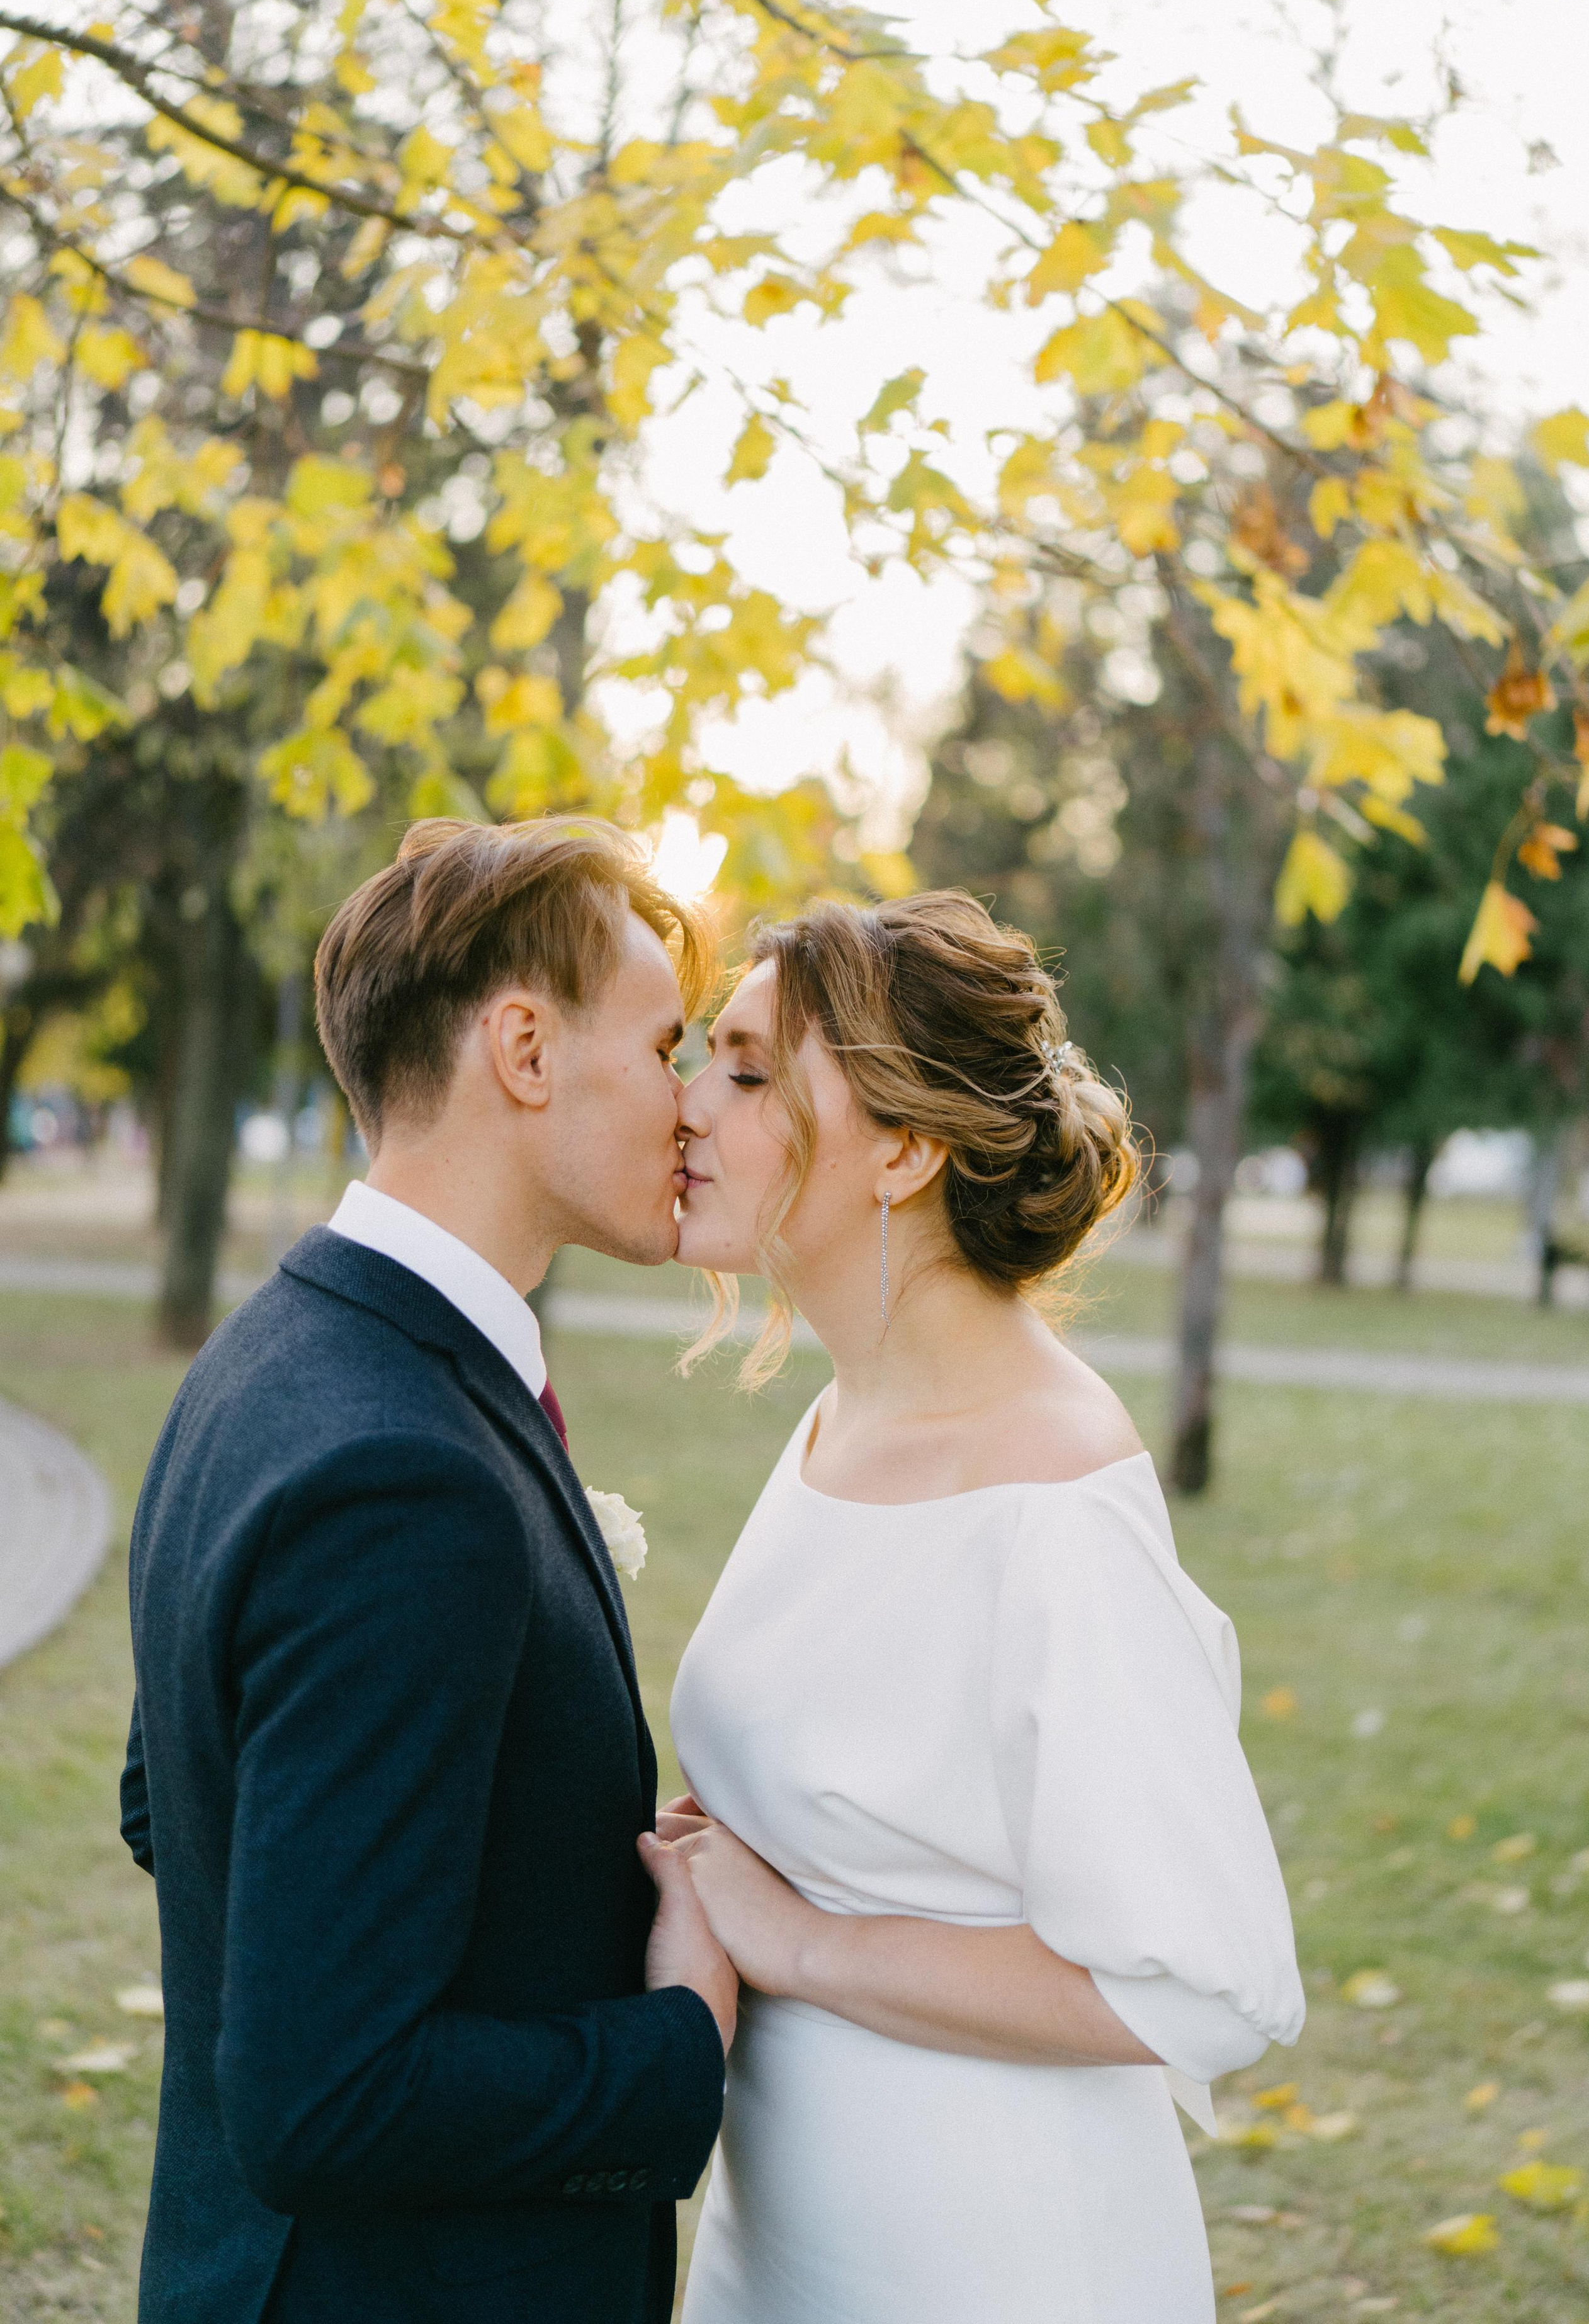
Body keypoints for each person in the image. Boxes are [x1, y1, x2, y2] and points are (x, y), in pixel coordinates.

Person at [120, 816, 735, 2324]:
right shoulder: (405, 1474)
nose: (691, 1102)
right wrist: (680, 2035)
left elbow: (173, 1795)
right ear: (522, 1050)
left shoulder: (265, 1355)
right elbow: (324, 2099)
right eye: (665, 1045)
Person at [663, 890, 1304, 2324]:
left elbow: (1197, 1987)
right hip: (789, 2246)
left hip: (995, 2264)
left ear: (900, 1147)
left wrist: (802, 1944)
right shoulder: (843, 1414)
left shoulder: (1054, 1500)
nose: (689, 1107)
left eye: (751, 1072)